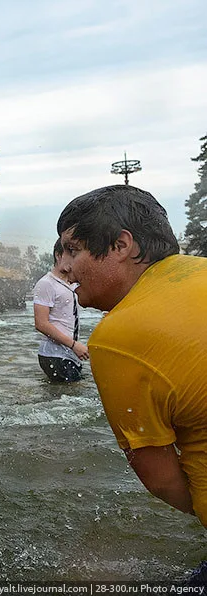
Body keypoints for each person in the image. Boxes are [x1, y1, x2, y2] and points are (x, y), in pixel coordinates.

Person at [57, 184, 207, 529]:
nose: (64, 267)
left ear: (121, 245)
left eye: (72, 249)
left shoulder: (117, 338)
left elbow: (161, 481)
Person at [33, 239, 89, 383]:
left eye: (75, 256)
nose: (73, 261)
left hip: (69, 353)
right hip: (55, 354)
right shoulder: (46, 284)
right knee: (70, 400)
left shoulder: (72, 283)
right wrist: (74, 345)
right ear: (58, 255)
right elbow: (41, 323)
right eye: (70, 255)